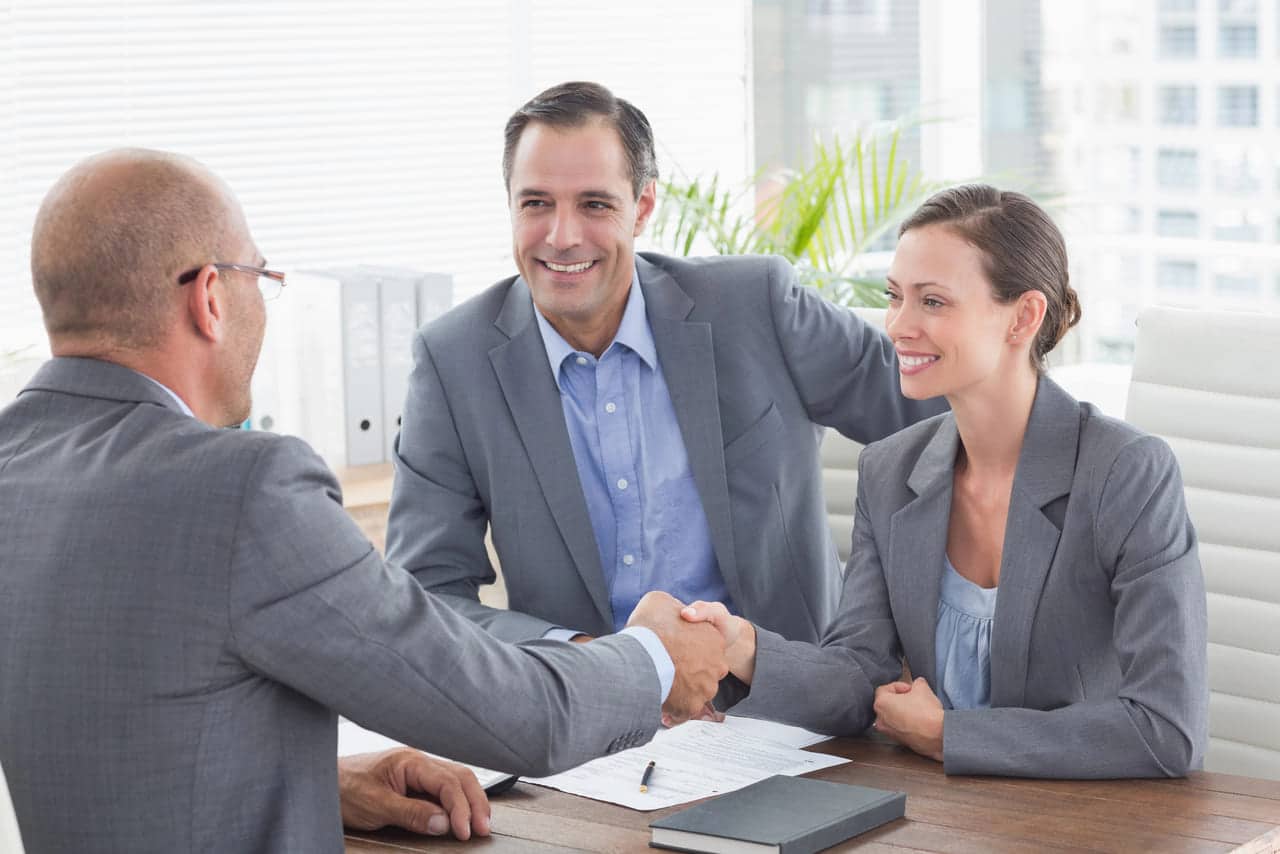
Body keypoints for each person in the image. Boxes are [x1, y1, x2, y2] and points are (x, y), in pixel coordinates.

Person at [0, 148, 727, 854]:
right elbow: (508, 713)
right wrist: (657, 656)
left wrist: (320, 781)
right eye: (259, 274)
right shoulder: (243, 490)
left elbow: (122, 729)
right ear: (211, 297)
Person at [386, 81, 945, 654]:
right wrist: (586, 656)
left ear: (643, 207)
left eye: (595, 204)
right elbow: (422, 594)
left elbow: (949, 416)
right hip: (593, 718)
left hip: (793, 709)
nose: (562, 235)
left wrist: (900, 628)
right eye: (536, 203)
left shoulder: (756, 307)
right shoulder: (453, 364)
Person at [683, 185, 1209, 778]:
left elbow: (1166, 727)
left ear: (1023, 317)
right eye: (894, 297)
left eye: (932, 302)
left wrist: (950, 735)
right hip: (938, 817)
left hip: (1083, 820)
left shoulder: (1126, 472)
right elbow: (860, 672)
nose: (899, 326)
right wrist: (744, 650)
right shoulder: (890, 470)